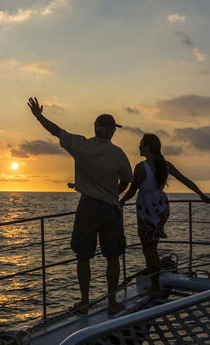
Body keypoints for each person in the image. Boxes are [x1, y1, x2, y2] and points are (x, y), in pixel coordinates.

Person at [27, 97, 133, 315]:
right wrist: (115, 193)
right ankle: (112, 303)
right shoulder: (118, 153)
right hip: (110, 209)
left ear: (96, 129)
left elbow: (56, 131)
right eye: (113, 128)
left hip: (87, 207)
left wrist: (38, 116)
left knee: (83, 256)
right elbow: (127, 180)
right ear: (110, 130)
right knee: (112, 256)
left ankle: (84, 302)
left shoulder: (81, 145)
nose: (114, 132)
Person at [119, 133, 210, 296]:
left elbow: (133, 190)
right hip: (160, 206)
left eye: (141, 144)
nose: (139, 147)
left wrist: (121, 201)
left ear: (148, 146)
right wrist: (200, 194)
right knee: (152, 247)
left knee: (148, 249)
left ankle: (155, 286)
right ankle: (154, 284)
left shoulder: (142, 167)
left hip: (147, 208)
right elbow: (185, 179)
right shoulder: (165, 165)